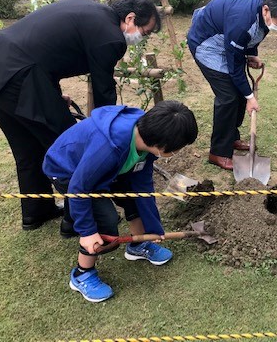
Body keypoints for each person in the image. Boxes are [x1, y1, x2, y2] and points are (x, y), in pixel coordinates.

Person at [0, 0, 161, 231]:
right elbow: (103, 91)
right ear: (130, 18)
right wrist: (106, 132)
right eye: (145, 32)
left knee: (26, 147)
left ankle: (36, 212)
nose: (142, 38)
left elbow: (46, 55)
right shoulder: (111, 37)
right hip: (20, 76)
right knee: (69, 145)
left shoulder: (91, 11)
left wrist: (53, 96)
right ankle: (76, 220)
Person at [43, 100, 198, 303]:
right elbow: (78, 188)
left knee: (135, 198)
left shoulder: (146, 138)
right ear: (162, 145)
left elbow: (142, 186)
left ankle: (138, 245)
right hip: (69, 172)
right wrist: (88, 233)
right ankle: (82, 274)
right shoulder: (109, 146)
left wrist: (153, 227)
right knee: (105, 221)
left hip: (111, 169)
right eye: (177, 148)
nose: (178, 152)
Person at [187, 0, 277, 170]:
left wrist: (250, 53)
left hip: (228, 37)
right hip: (207, 44)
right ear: (266, 10)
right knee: (229, 97)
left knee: (240, 91)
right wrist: (250, 98)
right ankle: (218, 152)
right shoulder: (241, 20)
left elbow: (257, 30)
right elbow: (234, 67)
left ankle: (231, 138)